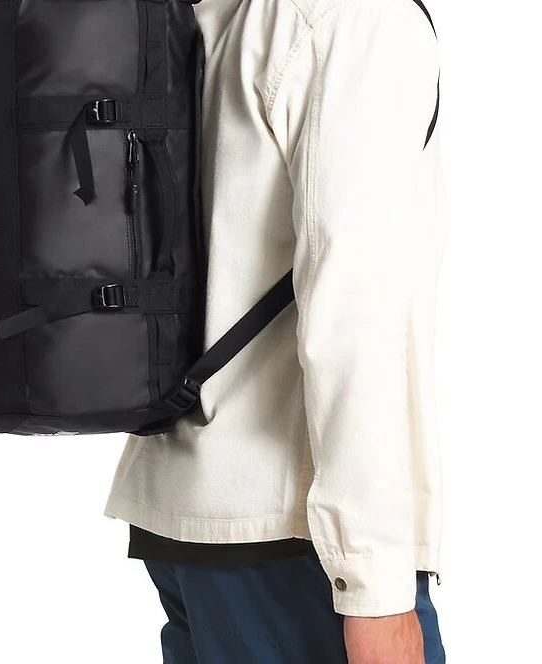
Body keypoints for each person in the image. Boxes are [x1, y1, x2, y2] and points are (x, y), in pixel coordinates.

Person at [105, 0, 448, 661]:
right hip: (297, 537)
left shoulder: (215, 11)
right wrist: (374, 587)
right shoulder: (360, 21)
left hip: (187, 515)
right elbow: (352, 317)